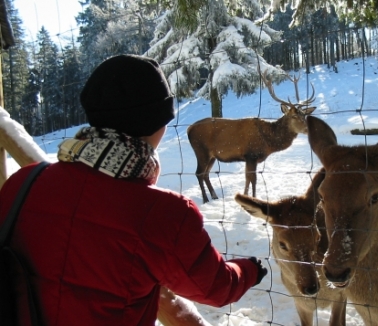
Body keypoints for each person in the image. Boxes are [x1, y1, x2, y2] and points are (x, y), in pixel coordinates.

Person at [0, 54, 267, 325]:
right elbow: (216, 287)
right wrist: (250, 270)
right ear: (158, 122)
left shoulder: (24, 181)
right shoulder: (166, 214)